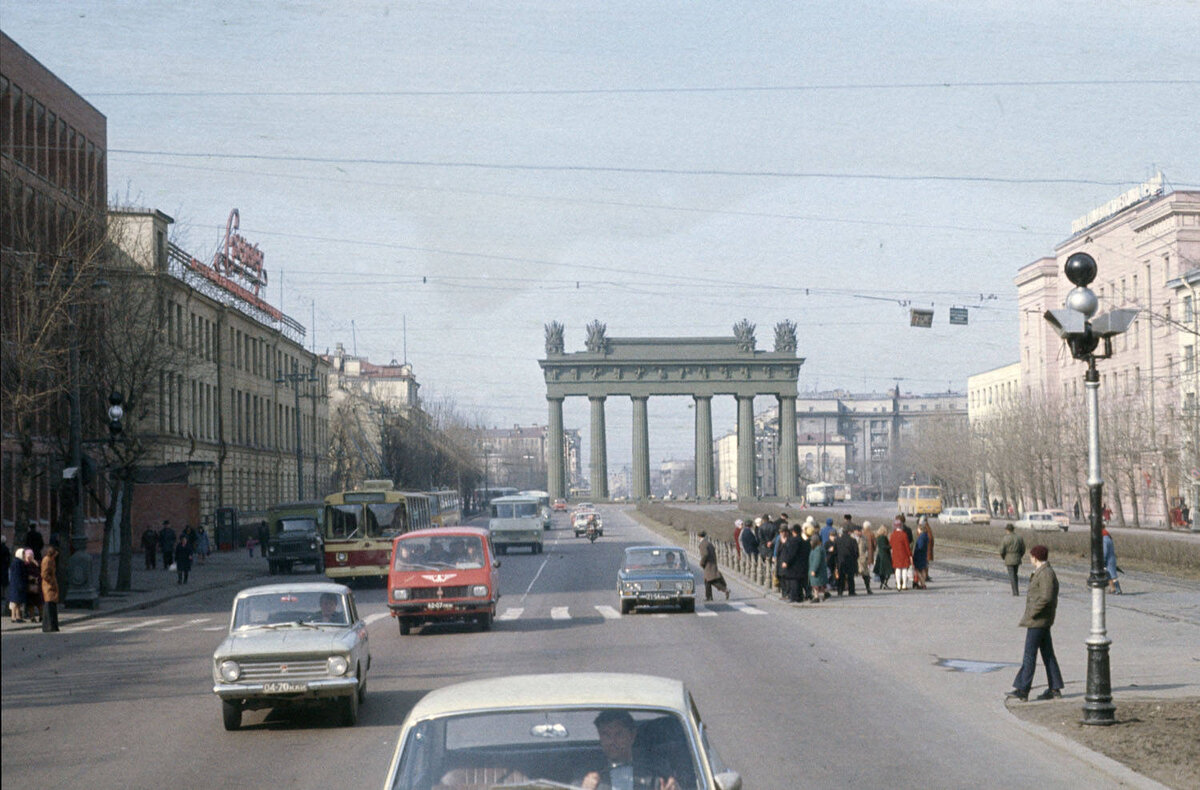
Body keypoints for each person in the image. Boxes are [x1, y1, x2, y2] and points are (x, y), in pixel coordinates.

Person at [1007, 545, 1064, 702]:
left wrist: (1032, 613)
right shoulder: (1043, 572)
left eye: (1031, 556)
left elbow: (1046, 597)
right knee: (1048, 655)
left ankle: (1023, 689)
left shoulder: (1045, 573)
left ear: (1036, 558)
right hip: (1042, 620)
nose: (1030, 558)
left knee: (1029, 655)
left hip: (1038, 620)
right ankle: (1055, 688)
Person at [580, 709, 679, 790]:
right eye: (606, 735)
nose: (612, 741)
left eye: (619, 734)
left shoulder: (656, 770)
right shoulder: (585, 773)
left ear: (632, 735)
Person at [697, 531, 729, 601]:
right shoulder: (709, 543)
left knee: (711, 580)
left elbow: (705, 554)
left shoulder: (702, 544)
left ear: (699, 537)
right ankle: (709, 597)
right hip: (712, 563)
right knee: (707, 581)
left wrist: (702, 563)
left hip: (708, 564)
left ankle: (724, 589)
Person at [40, 537, 60, 632]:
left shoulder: (51, 560)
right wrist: (51, 582)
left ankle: (53, 626)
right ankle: (48, 626)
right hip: (48, 586)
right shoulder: (47, 560)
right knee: (49, 605)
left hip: (50, 585)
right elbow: (44, 574)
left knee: (52, 605)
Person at [1000, 523, 1026, 596]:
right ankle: (1016, 590)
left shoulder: (1005, 538)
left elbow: (1001, 550)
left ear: (1007, 530)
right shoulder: (1019, 537)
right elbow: (1023, 549)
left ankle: (1015, 592)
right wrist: (1020, 555)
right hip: (1017, 557)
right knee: (1015, 574)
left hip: (1008, 558)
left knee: (1012, 575)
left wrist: (1003, 557)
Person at [834, 524, 859, 596]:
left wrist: (836, 561)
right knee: (850, 577)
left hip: (840, 561)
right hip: (850, 561)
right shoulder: (853, 540)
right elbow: (856, 552)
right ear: (849, 532)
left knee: (841, 577)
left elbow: (835, 552)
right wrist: (854, 559)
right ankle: (851, 591)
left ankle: (840, 591)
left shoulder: (837, 540)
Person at [889, 520, 913, 591]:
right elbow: (907, 546)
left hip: (895, 554)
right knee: (904, 569)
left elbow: (890, 544)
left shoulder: (892, 535)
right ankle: (904, 585)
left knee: (897, 569)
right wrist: (910, 555)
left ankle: (898, 585)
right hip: (904, 554)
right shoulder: (904, 534)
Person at [8, 548, 29, 622]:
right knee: (15, 602)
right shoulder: (17, 563)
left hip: (17, 584)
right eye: (23, 554)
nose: (24, 555)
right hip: (17, 584)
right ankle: (14, 616)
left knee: (18, 602)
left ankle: (17, 616)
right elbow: (18, 575)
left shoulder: (19, 562)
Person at [24, 546, 43, 622]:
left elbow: (39, 573)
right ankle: (32, 617)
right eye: (28, 556)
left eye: (31, 556)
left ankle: (41, 616)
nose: (29, 557)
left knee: (39, 602)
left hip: (36, 585)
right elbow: (25, 574)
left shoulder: (36, 563)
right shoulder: (25, 564)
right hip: (29, 586)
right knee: (30, 603)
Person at [808, 533, 829, 602]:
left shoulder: (817, 550)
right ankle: (825, 594)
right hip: (820, 570)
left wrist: (814, 570)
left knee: (816, 584)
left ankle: (816, 597)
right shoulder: (818, 548)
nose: (810, 542)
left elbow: (817, 560)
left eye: (811, 541)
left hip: (818, 571)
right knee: (821, 584)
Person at [855, 522, 875, 595]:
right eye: (859, 531)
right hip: (854, 559)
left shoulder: (864, 538)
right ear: (855, 531)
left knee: (866, 574)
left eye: (861, 531)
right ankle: (852, 589)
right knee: (852, 575)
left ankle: (868, 588)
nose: (860, 532)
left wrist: (867, 557)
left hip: (863, 559)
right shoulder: (852, 538)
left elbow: (867, 548)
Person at [1102, 529, 1122, 594]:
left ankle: (1118, 589)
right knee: (1109, 575)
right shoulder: (1108, 538)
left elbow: (1105, 551)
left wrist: (1103, 560)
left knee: (1113, 576)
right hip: (1111, 558)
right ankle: (1113, 589)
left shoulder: (1104, 539)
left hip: (1108, 560)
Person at [873, 525, 892, 590]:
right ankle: (884, 583)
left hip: (880, 555)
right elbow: (884, 546)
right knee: (888, 571)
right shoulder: (883, 537)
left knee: (881, 571)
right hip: (885, 555)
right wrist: (890, 546)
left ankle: (882, 583)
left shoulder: (878, 537)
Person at [912, 524, 930, 589]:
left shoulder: (921, 537)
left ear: (920, 529)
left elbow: (920, 546)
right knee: (923, 569)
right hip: (923, 555)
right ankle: (923, 583)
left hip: (919, 555)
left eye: (918, 529)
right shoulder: (926, 536)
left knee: (918, 570)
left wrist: (917, 549)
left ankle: (923, 583)